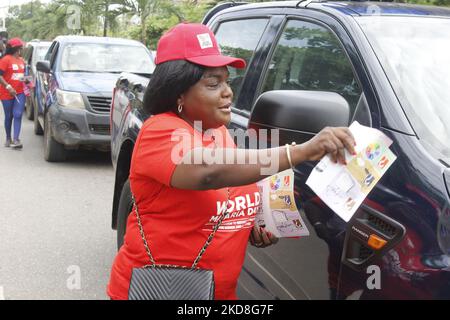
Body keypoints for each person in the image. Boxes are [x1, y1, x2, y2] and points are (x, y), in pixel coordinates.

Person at [107, 23, 356, 300]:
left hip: (218, 293)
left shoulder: (219, 132)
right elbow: (209, 172)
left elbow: (225, 189)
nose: (227, 92)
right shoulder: (160, 131)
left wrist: (248, 223)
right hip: (161, 291)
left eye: (227, 81)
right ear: (177, 92)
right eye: (213, 84)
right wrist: (302, 151)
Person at [0, 38, 26, 149]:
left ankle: (16, 139)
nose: (22, 49)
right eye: (21, 47)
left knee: (18, 114)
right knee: (9, 116)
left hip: (20, 92)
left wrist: (27, 80)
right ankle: (8, 138)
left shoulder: (21, 61)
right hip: (6, 93)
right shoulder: (5, 60)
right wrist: (8, 86)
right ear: (16, 48)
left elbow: (21, 76)